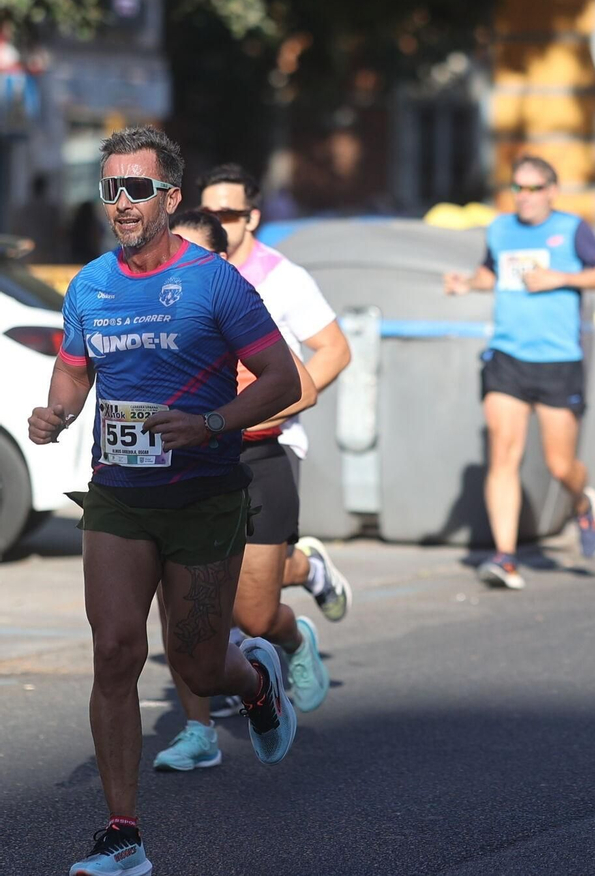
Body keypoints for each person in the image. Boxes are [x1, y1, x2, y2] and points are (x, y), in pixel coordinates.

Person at [29, 127, 304, 876]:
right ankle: (124, 834)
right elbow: (74, 370)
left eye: (138, 188)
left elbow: (284, 380)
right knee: (116, 651)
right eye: (111, 188)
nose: (122, 202)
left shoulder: (214, 281)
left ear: (171, 197)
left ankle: (255, 680)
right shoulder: (90, 284)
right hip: (119, 494)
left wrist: (212, 422)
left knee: (197, 663)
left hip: (206, 495)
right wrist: (56, 411)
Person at [148, 168, 355, 772]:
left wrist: (227, 420)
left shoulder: (253, 304)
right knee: (180, 605)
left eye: (195, 257)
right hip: (179, 469)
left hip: (259, 456)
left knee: (252, 614)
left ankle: (291, 637)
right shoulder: (149, 311)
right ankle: (196, 730)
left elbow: (308, 382)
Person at [445, 155, 595, 589]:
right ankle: (504, 558)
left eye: (534, 188)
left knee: (561, 464)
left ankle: (581, 503)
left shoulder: (573, 228)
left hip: (558, 359)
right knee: (503, 454)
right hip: (507, 356)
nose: (525, 197)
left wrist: (559, 278)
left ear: (551, 191)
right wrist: (465, 283)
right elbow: (491, 273)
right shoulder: (500, 228)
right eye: (518, 188)